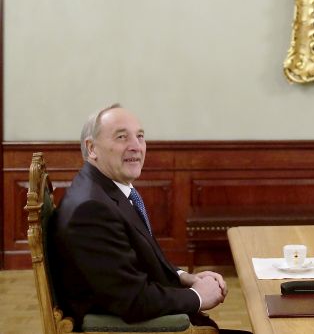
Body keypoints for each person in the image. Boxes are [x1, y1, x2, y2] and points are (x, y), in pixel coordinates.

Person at [51, 104, 249, 333]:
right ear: (92, 148)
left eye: (140, 136)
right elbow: (132, 300)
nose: (136, 146)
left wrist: (184, 277)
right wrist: (197, 296)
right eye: (122, 137)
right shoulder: (91, 210)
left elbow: (138, 262)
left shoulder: (106, 190)